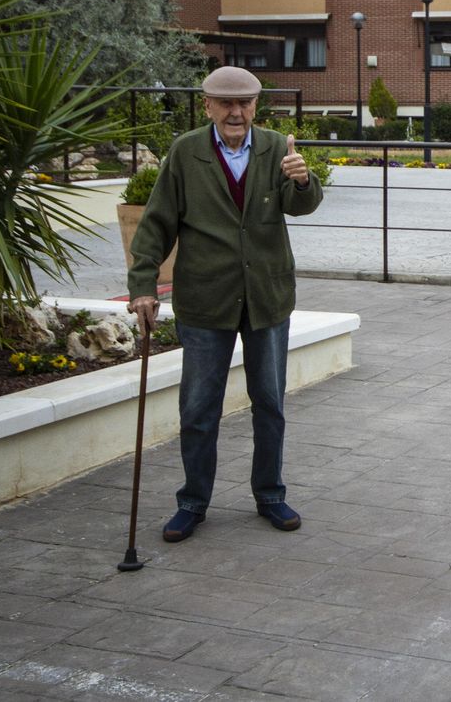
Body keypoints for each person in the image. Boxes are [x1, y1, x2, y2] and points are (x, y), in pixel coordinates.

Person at [127, 65, 323, 543]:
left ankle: (270, 495)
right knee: (198, 408)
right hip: (205, 299)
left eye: (245, 103)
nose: (236, 112)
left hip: (266, 298)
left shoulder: (278, 147)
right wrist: (143, 285)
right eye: (225, 103)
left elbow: (299, 206)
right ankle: (193, 501)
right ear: (208, 105)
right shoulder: (186, 152)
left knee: (270, 404)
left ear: (256, 105)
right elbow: (156, 224)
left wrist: (302, 181)